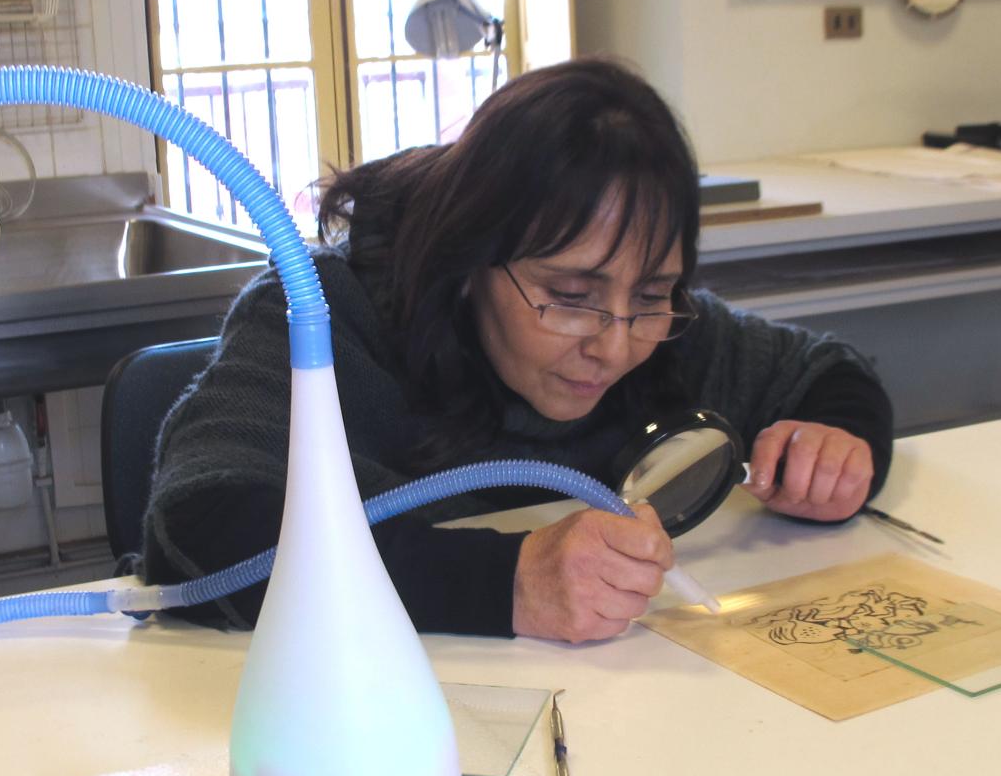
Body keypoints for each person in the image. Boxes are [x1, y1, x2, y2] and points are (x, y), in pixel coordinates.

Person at [142, 58, 893, 643]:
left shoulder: (657, 331)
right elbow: (205, 529)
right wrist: (508, 584)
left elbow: (824, 372)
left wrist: (835, 444)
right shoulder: (327, 315)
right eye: (569, 297)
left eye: (653, 294)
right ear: (472, 260)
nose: (615, 342)